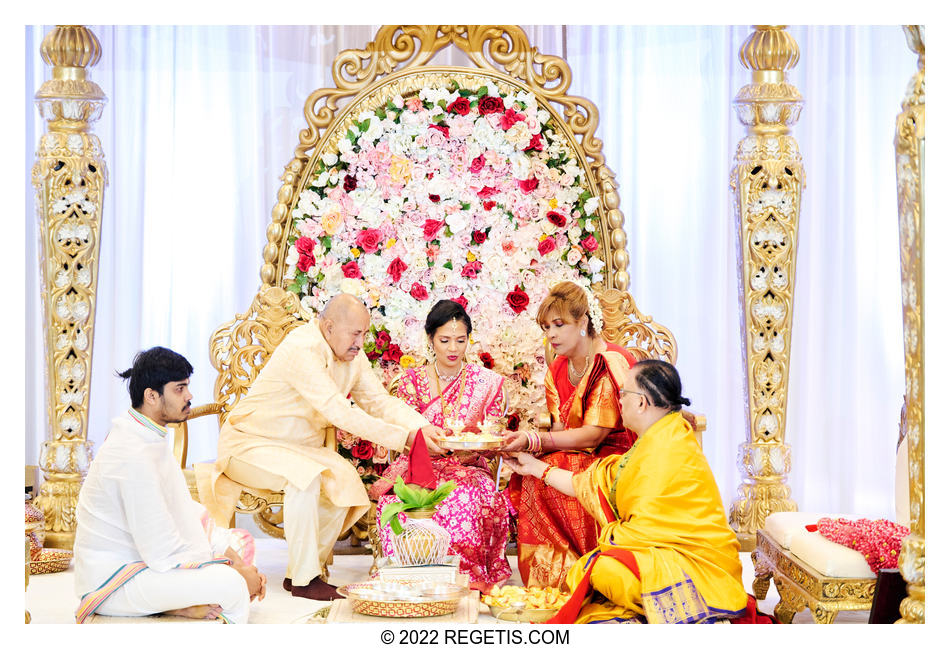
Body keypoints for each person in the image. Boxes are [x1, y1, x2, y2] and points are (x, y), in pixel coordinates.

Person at [198, 293, 445, 601]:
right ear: (328, 327)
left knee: (346, 482)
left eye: (365, 333)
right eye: (355, 333)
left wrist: (419, 428)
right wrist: (402, 439)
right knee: (306, 477)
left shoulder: (353, 357)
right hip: (249, 444)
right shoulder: (302, 348)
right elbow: (337, 410)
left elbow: (379, 401)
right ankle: (305, 579)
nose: (361, 341)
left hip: (296, 451)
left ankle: (302, 569)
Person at [506, 360, 768, 624]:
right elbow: (591, 482)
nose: (618, 401)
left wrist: (612, 539)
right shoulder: (660, 435)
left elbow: (646, 528)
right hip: (670, 554)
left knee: (602, 570)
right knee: (596, 568)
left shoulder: (666, 446)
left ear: (641, 402)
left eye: (623, 394)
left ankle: (687, 606)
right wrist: (534, 467)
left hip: (696, 566)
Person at [74, 347, 265, 624]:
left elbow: (184, 512)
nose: (189, 397)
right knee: (231, 584)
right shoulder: (131, 451)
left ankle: (177, 604)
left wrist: (233, 559)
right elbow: (161, 548)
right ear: (151, 396)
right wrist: (232, 570)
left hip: (141, 566)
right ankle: (181, 602)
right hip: (114, 582)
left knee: (236, 551)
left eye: (187, 387)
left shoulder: (146, 438)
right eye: (179, 389)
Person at [369, 299, 514, 588]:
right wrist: (422, 441)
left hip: (469, 467)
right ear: (430, 339)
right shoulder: (411, 382)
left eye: (460, 340)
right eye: (445, 340)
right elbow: (400, 433)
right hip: (420, 467)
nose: (453, 349)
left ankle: (464, 578)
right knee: (396, 503)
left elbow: (494, 436)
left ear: (468, 340)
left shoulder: (487, 382)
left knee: (464, 499)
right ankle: (407, 577)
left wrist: (472, 444)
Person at [502, 281, 637, 589]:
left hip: (617, 460)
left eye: (559, 325)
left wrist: (535, 440)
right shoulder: (558, 369)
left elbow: (592, 436)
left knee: (544, 470)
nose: (551, 334)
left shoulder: (609, 361)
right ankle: (553, 583)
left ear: (584, 322)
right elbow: (563, 433)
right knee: (528, 473)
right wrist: (524, 448)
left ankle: (583, 578)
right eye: (547, 326)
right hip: (581, 456)